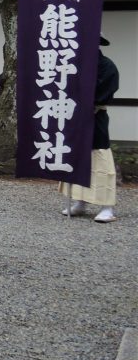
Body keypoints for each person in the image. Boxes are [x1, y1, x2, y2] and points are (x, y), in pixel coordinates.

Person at [59, 34, 120, 223]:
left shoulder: (107, 66)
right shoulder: (74, 65)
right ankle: (80, 201)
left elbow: (104, 92)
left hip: (95, 118)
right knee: (76, 159)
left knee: (100, 158)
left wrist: (84, 103)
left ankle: (107, 206)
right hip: (74, 119)